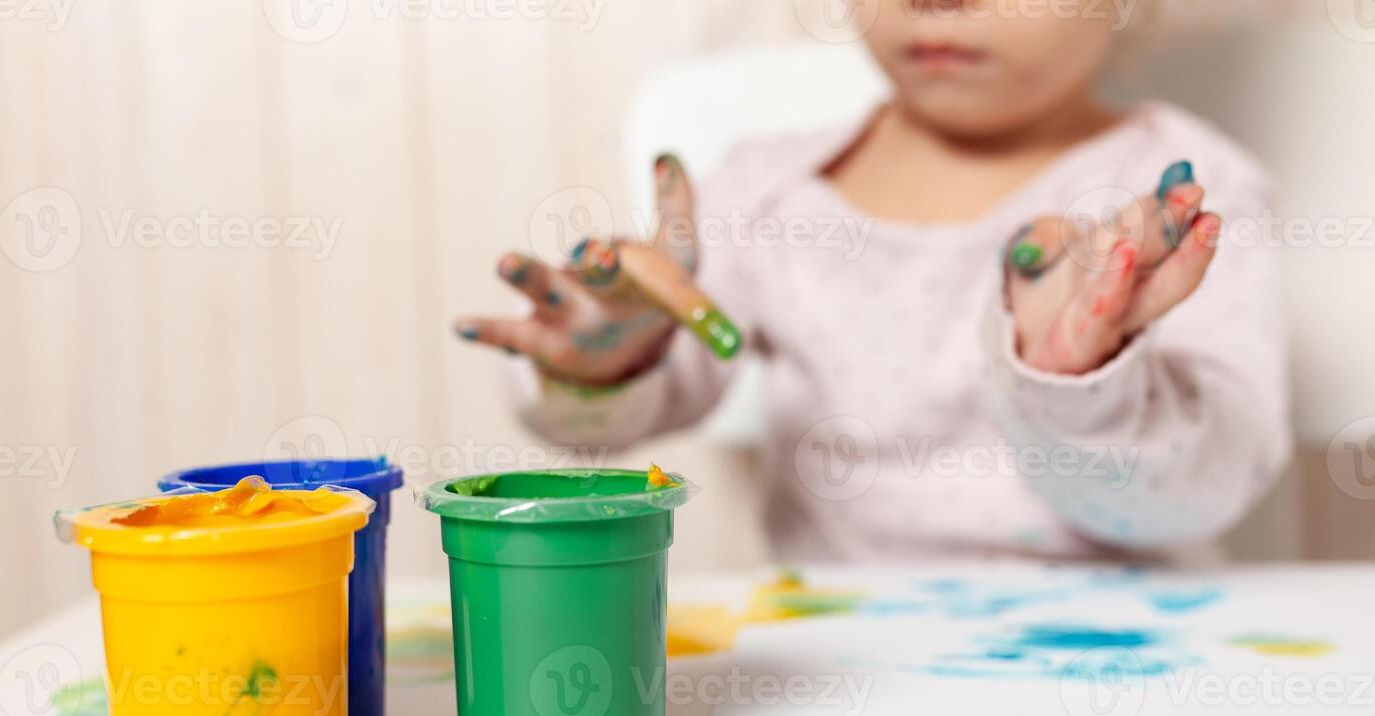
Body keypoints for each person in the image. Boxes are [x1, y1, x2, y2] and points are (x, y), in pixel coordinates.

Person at [455, 0, 1290, 562]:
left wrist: (1077, 381)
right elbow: (615, 420)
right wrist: (602, 359)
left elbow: (1205, 495)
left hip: (1137, 660)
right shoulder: (762, 195)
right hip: (839, 674)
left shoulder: (1184, 201)